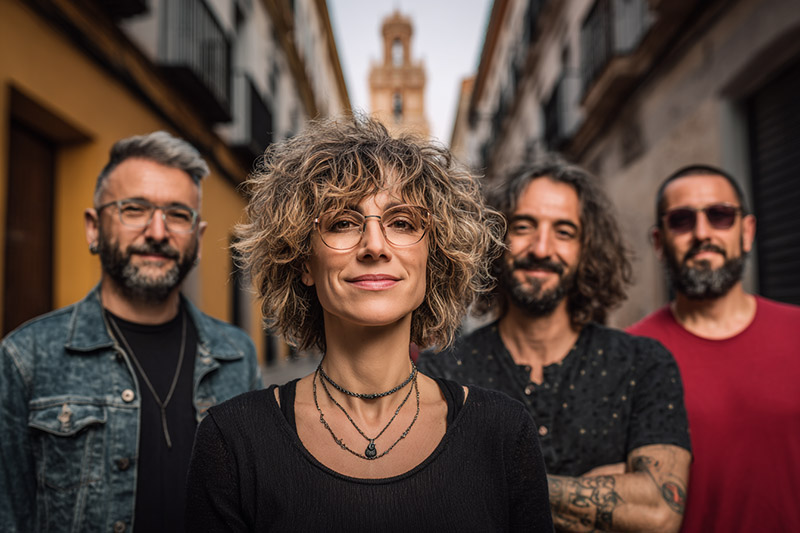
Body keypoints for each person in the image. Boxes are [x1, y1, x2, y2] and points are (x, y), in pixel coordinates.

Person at [184, 116, 554, 531]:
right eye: (343, 223)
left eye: (402, 223)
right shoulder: (231, 439)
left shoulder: (503, 432)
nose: (374, 246)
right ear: (304, 261)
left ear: (433, 258)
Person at [0, 131, 260, 532]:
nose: (158, 232)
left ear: (199, 237)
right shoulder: (26, 358)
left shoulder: (237, 356)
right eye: (134, 209)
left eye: (177, 215)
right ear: (93, 228)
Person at [418, 158, 692, 532]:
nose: (542, 248)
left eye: (564, 232)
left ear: (587, 249)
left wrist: (491, 482)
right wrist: (608, 494)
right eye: (524, 227)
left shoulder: (642, 364)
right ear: (494, 238)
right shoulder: (441, 374)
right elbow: (430, 504)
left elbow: (659, 512)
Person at [628, 164, 800, 532]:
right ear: (659, 242)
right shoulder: (629, 356)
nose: (702, 233)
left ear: (747, 232)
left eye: (720, 216)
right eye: (682, 220)